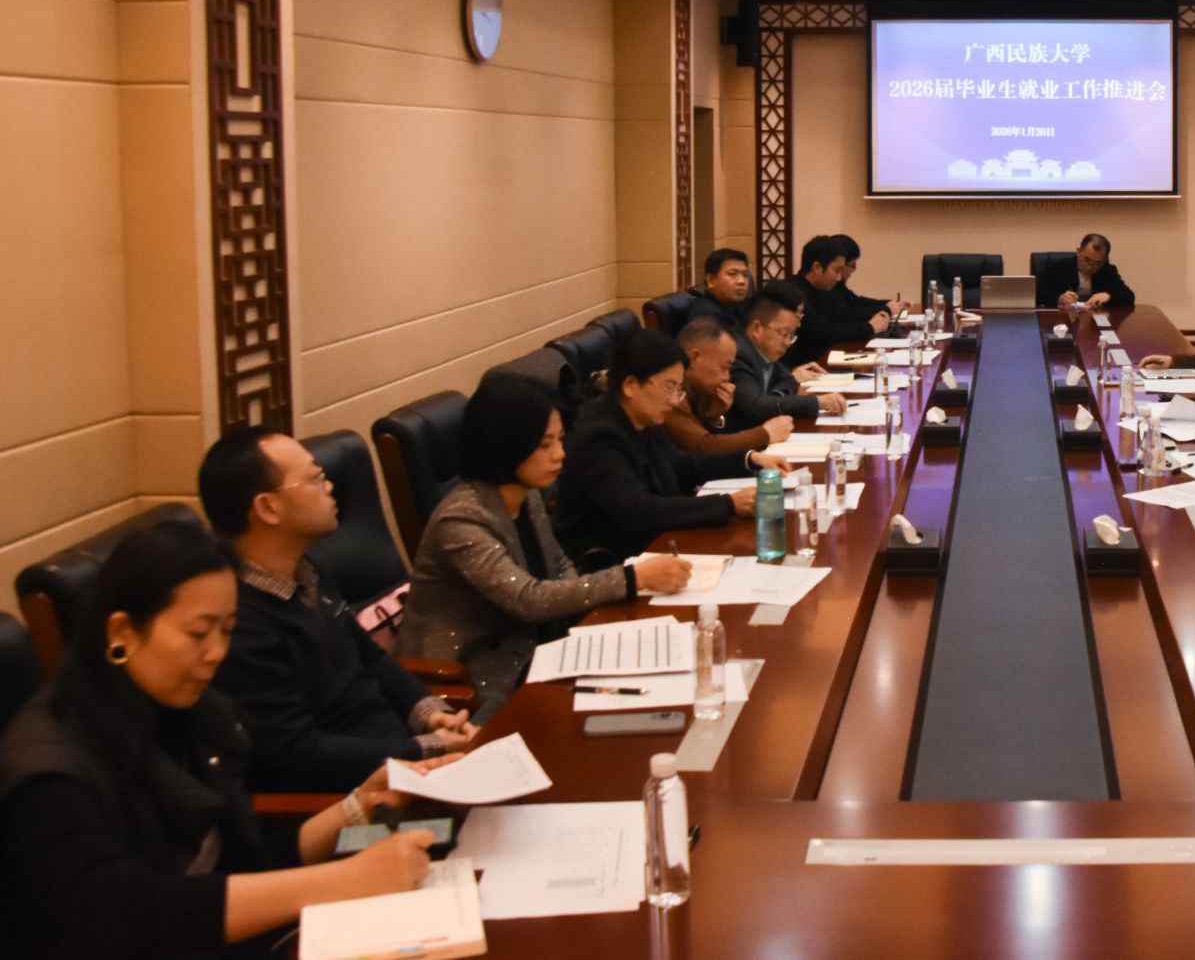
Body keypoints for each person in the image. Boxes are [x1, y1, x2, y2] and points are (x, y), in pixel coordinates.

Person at [0, 518, 450, 958]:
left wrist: (354, 810)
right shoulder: (49, 770)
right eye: (198, 632)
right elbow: (124, 914)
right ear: (122, 632)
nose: (216, 653)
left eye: (226, 630)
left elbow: (236, 866)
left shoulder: (185, 710)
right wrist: (345, 881)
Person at [201, 427, 477, 794]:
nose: (329, 486)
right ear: (268, 507)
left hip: (401, 758)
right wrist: (427, 748)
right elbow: (297, 754)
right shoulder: (240, 623)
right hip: (350, 796)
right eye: (315, 478)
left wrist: (431, 715)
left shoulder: (305, 570)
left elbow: (369, 657)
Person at [400, 373, 692, 719]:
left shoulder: (527, 496)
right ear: (504, 445)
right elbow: (528, 599)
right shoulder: (461, 520)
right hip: (478, 677)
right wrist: (633, 578)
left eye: (560, 440)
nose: (560, 454)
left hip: (543, 650)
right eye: (544, 445)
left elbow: (559, 566)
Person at [554, 331, 772, 565]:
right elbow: (639, 511)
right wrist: (728, 504)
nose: (675, 400)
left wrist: (749, 460)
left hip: (656, 544)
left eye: (679, 389)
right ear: (630, 385)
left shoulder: (642, 416)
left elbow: (682, 465)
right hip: (614, 561)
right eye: (669, 387)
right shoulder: (598, 435)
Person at [664, 316, 793, 456]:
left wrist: (713, 417)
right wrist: (765, 434)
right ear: (694, 357)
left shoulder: (699, 388)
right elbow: (703, 447)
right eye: (724, 367)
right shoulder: (671, 393)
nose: (727, 377)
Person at [730, 282, 849, 429]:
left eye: (791, 336)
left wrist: (774, 398)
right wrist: (817, 403)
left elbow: (789, 380)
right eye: (784, 333)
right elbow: (756, 406)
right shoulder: (738, 355)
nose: (787, 342)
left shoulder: (766, 353)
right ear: (757, 328)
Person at [788, 234, 890, 366]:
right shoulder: (793, 294)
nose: (839, 277)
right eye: (837, 270)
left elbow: (843, 315)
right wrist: (869, 328)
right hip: (803, 368)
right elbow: (824, 332)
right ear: (817, 267)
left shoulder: (821, 289)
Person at [1034, 232, 1136, 309]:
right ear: (1079, 251)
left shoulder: (1107, 271)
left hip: (1094, 320)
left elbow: (1129, 296)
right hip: (1062, 319)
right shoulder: (1056, 267)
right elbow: (1036, 294)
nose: (1091, 266)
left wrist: (1109, 296)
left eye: (1098, 263)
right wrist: (1059, 298)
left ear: (1104, 260)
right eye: (1087, 260)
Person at [830, 235, 909, 321]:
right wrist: (887, 309)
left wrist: (889, 304)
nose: (855, 268)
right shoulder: (828, 287)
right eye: (852, 264)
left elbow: (856, 301)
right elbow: (847, 314)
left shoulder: (839, 285)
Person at [682, 247, 752, 334]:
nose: (741, 281)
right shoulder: (706, 319)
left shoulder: (736, 307)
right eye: (732, 274)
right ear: (711, 280)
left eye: (745, 275)